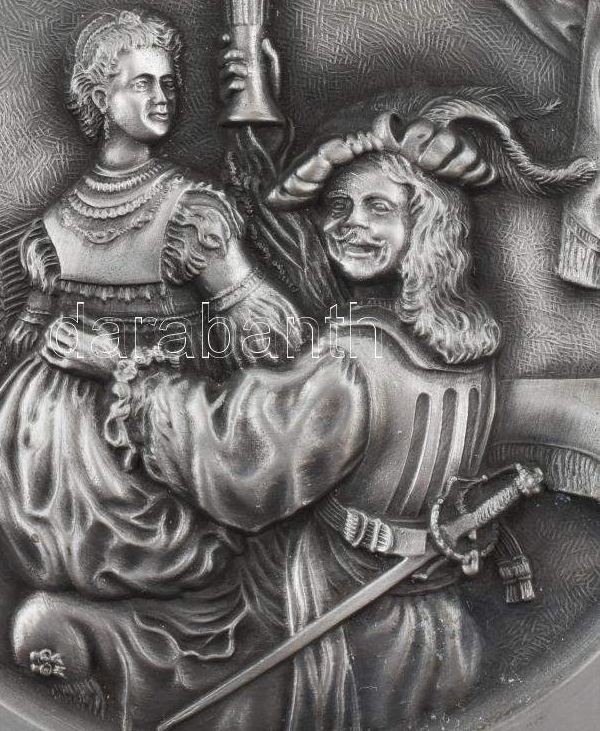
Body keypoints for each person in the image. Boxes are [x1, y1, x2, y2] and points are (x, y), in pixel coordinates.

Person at [44, 99, 594, 730]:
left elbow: (241, 467)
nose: (348, 224)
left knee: (89, 624)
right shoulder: (470, 341)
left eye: (378, 207)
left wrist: (124, 370)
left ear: (428, 224)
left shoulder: (353, 360)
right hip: (440, 622)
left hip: (339, 620)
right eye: (339, 207)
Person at [0, 6, 300, 711]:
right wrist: (41, 338)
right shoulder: (58, 221)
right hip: (36, 458)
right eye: (142, 83)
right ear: (99, 98)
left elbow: (270, 335)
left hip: (145, 447)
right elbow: (24, 334)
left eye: (168, 83)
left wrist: (133, 360)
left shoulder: (190, 212)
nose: (162, 97)